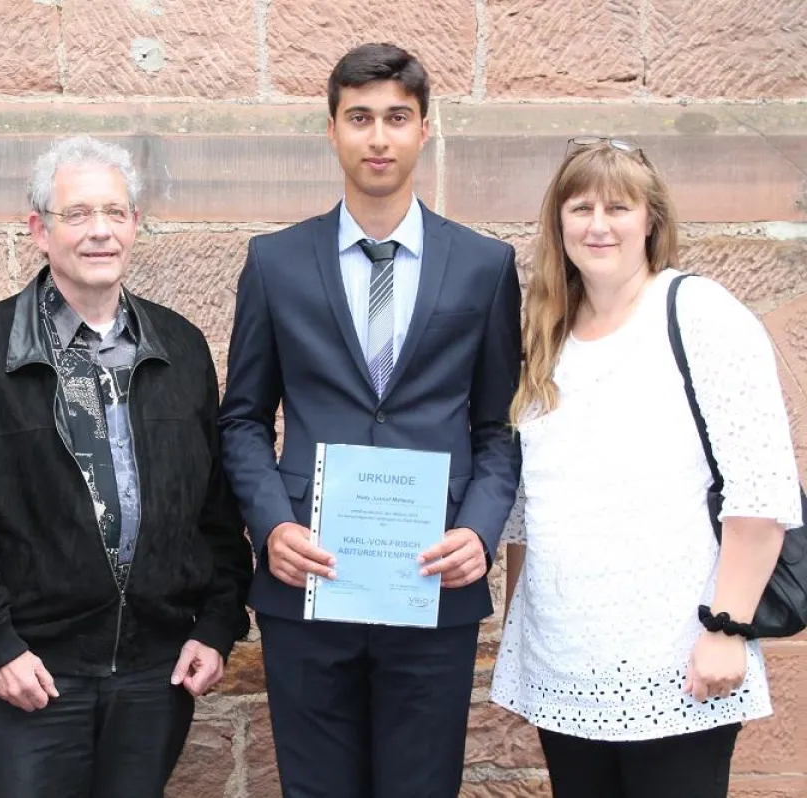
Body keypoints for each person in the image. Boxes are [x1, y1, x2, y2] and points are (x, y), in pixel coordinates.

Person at [219, 43, 522, 798]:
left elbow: (497, 431)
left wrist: (480, 533)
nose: (378, 137)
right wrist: (272, 524)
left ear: (425, 130)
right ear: (332, 130)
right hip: (310, 580)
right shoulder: (276, 262)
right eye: (359, 118)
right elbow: (244, 420)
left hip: (431, 581)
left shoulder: (485, 266)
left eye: (396, 117)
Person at [0, 135, 253, 798]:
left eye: (115, 213)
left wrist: (215, 626)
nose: (100, 232)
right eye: (78, 215)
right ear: (39, 230)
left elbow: (214, 509)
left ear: (134, 225)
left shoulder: (179, 347)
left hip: (157, 675)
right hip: (34, 674)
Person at [490, 137, 801, 798]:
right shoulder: (548, 337)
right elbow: (527, 509)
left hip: (679, 658)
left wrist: (726, 629)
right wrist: (523, 644)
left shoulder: (698, 314)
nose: (598, 225)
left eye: (618, 208)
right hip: (568, 664)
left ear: (651, 220)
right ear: (559, 223)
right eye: (581, 209)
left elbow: (761, 490)